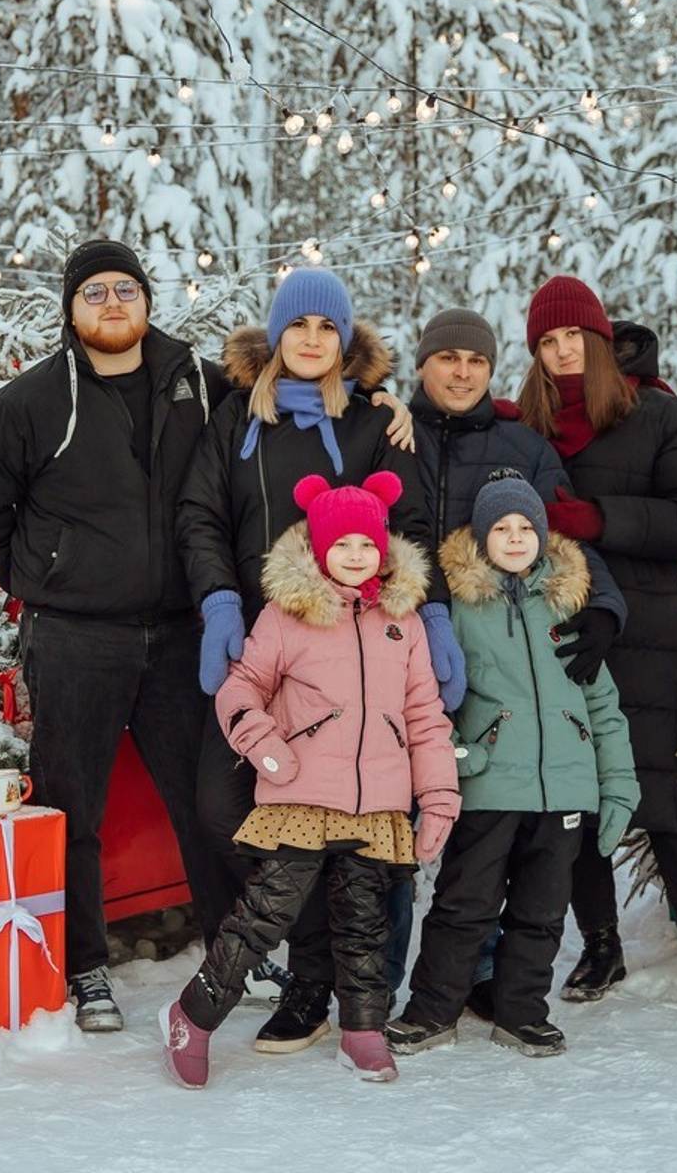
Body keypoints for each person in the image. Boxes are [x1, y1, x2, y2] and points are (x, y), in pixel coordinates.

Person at [0, 238, 237, 1032]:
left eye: (126, 290)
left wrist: (382, 399)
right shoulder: (30, 403)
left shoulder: (204, 389)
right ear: (71, 310)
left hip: (182, 636)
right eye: (95, 293)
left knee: (211, 804)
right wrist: (45, 575)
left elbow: (295, 413)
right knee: (74, 810)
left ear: (148, 303)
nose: (113, 304)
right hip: (76, 639)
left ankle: (234, 949)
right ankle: (86, 968)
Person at [177, 266, 463, 1053]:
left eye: (326, 328)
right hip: (256, 650)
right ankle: (277, 951)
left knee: (340, 819)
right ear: (276, 335)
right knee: (220, 808)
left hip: (346, 657)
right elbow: (200, 512)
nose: (311, 340)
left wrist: (429, 616)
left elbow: (404, 526)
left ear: (344, 340)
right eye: (298, 326)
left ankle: (312, 982)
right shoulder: (237, 416)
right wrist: (219, 601)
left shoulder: (373, 420)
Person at [515, 275, 677, 1028]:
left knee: (673, 803)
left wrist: (597, 517)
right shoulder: (528, 425)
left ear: (600, 341)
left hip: (646, 638)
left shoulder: (657, 412)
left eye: (573, 338)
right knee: (574, 798)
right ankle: (600, 945)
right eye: (547, 342)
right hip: (559, 631)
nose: (562, 352)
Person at [161, 472, 458, 1087]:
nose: (356, 556)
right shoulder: (287, 616)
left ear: (384, 549)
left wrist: (439, 797)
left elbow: (426, 717)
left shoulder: (403, 623)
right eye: (343, 544)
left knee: (364, 919)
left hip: (376, 803)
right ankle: (193, 1014)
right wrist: (263, 745)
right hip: (302, 795)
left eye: (368, 545)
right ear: (321, 550)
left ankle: (363, 1031)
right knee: (266, 914)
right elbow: (241, 688)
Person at [396, 307, 630, 1012]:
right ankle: (377, 977)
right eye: (448, 359)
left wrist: (604, 608)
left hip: (491, 654)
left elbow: (559, 530)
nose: (462, 371)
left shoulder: (519, 444)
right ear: (424, 365)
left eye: (476, 361)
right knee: (395, 821)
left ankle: (491, 976)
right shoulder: (389, 432)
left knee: (485, 826)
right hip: (402, 643)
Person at [386, 473, 639, 1057]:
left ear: (544, 535)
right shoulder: (459, 610)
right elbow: (429, 696)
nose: (517, 537)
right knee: (463, 907)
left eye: (527, 527)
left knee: (542, 912)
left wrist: (617, 785)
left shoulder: (566, 602)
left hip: (564, 791)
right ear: (480, 537)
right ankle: (430, 1011)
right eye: (502, 527)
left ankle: (522, 1012)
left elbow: (601, 704)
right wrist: (459, 756)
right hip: (490, 784)